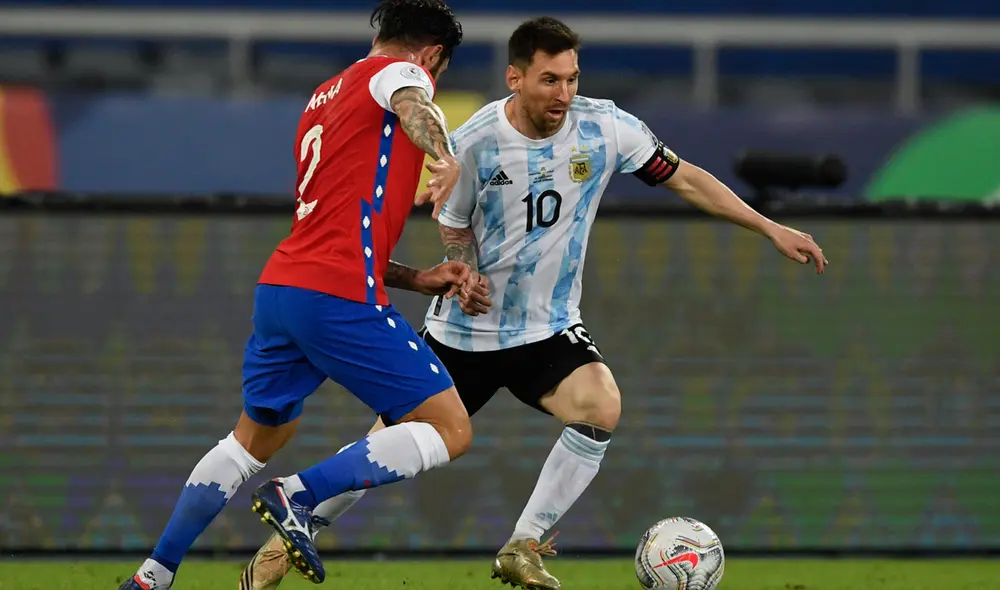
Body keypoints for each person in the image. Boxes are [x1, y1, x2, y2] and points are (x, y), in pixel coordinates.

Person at [238, 15, 828, 590]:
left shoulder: (606, 129)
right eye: (551, 80)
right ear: (515, 78)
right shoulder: (473, 143)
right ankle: (282, 542)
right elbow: (453, 223)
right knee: (382, 452)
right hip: (463, 335)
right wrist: (463, 267)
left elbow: (685, 178)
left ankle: (523, 545)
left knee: (600, 405)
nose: (564, 93)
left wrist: (768, 226)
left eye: (572, 79)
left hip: (547, 329)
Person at [118, 2, 473, 588]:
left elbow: (334, 226)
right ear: (432, 54)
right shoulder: (401, 75)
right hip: (336, 296)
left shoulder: (322, 98)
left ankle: (152, 576)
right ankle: (298, 494)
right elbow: (414, 102)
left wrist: (419, 277)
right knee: (451, 428)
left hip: (284, 288)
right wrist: (446, 157)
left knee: (253, 439)